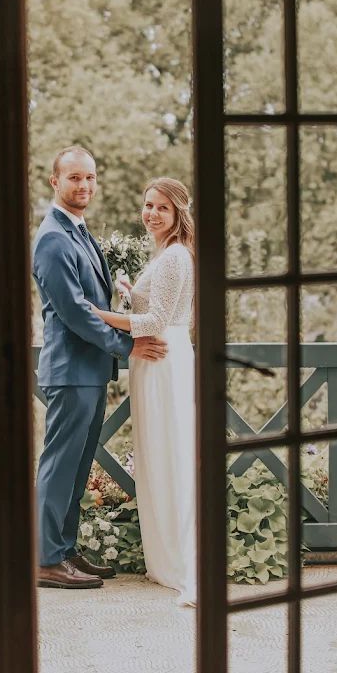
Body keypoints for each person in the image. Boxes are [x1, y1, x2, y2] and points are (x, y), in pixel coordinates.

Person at [32, 147, 168, 589]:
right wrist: (126, 346)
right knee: (59, 464)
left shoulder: (78, 230)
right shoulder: (53, 236)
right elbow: (73, 312)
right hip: (70, 370)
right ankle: (45, 559)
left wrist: (123, 293)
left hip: (87, 370)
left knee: (76, 465)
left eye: (90, 178)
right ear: (55, 182)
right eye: (74, 178)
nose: (84, 186)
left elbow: (95, 299)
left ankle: (64, 551)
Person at [90, 177, 196, 607]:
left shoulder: (174, 256)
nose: (151, 213)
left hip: (163, 359)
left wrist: (98, 314)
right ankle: (166, 556)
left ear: (178, 215)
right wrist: (130, 294)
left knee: (170, 453)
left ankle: (181, 561)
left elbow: (155, 323)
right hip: (152, 361)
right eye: (148, 204)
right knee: (155, 453)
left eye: (162, 208)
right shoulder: (165, 255)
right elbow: (154, 308)